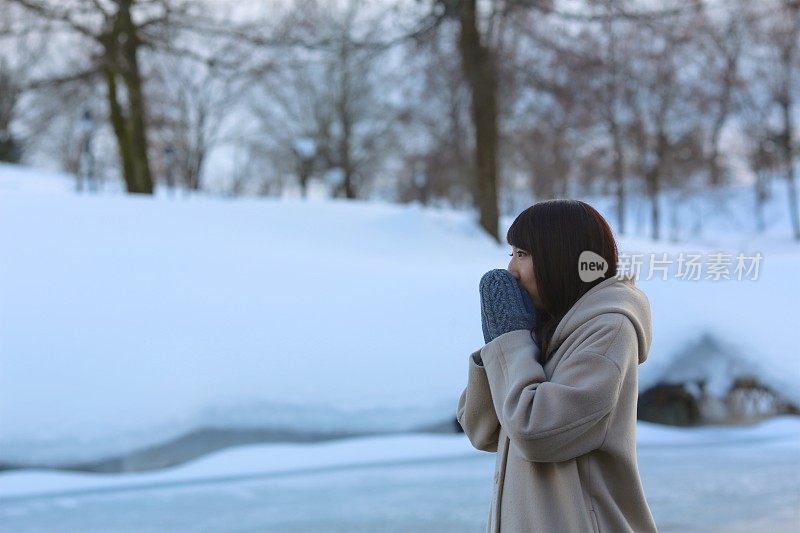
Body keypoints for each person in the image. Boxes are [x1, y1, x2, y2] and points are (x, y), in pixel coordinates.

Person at [457, 199, 658, 533]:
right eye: (511, 254)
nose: (511, 271)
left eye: (522, 254)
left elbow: (535, 432)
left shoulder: (608, 331)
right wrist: (501, 341)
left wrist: (510, 341)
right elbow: (482, 430)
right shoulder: (545, 331)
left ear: (559, 257)